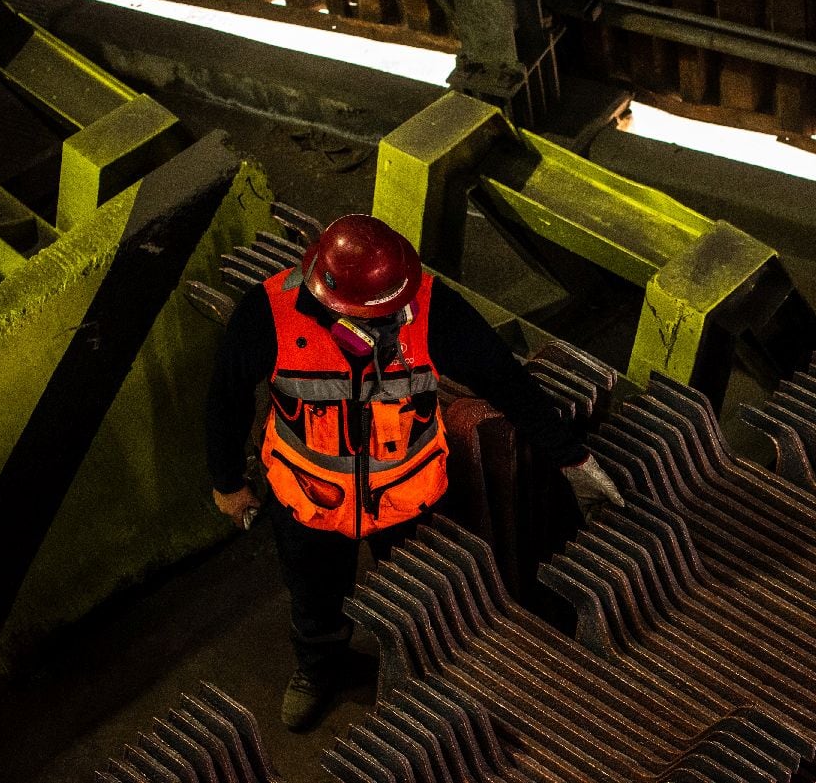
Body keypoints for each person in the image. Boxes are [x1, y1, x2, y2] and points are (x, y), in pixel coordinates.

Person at [206, 213, 623, 731]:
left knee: (418, 596)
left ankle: (422, 673)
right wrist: (228, 482)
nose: (388, 322)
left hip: (407, 499)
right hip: (309, 499)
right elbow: (225, 400)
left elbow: (506, 381)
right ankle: (320, 668)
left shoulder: (433, 309)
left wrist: (571, 457)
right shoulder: (268, 314)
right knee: (313, 594)